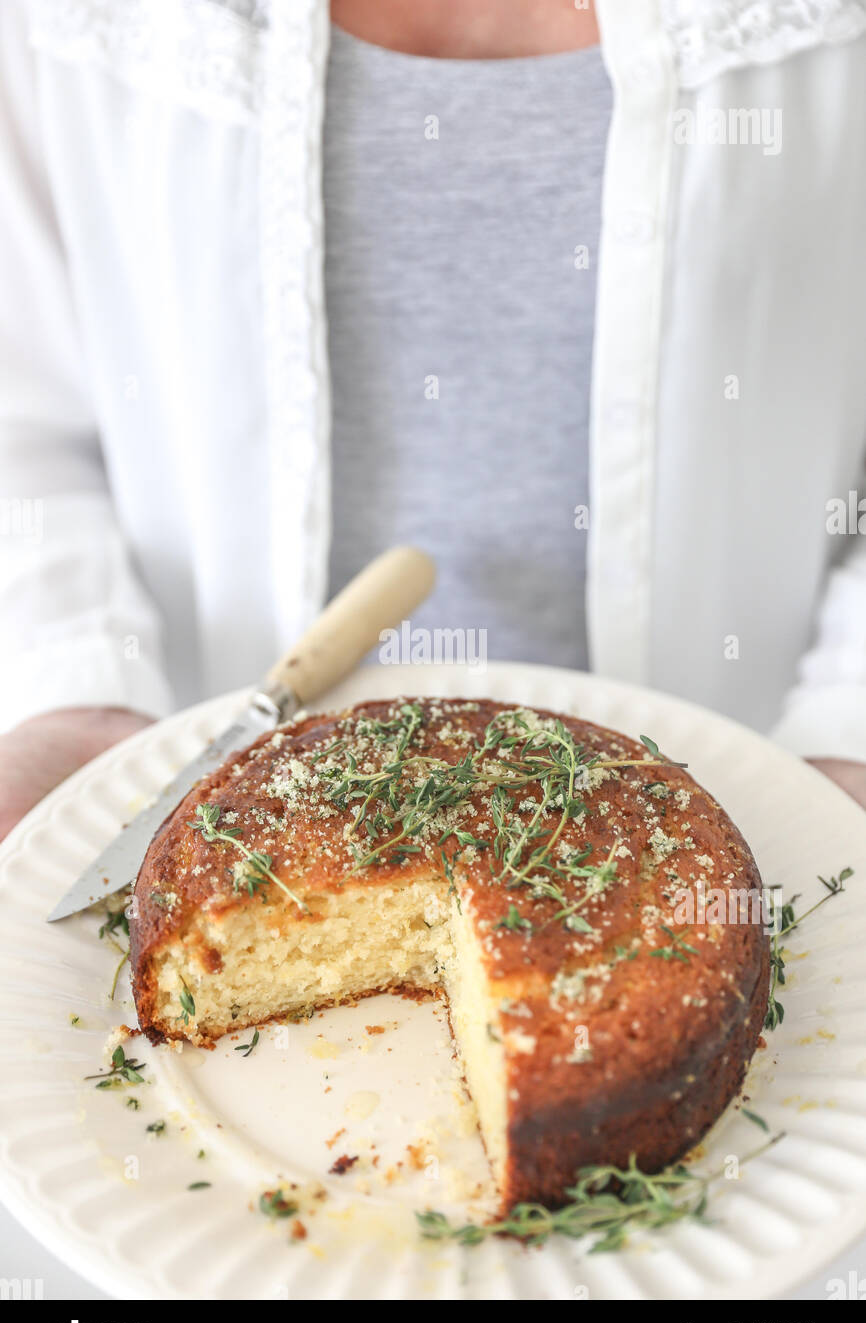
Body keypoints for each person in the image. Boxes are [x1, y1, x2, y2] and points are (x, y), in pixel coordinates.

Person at [1, 0, 865, 845]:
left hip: (759, 813)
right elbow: (28, 410)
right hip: (221, 819)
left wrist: (847, 737)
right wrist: (75, 690)